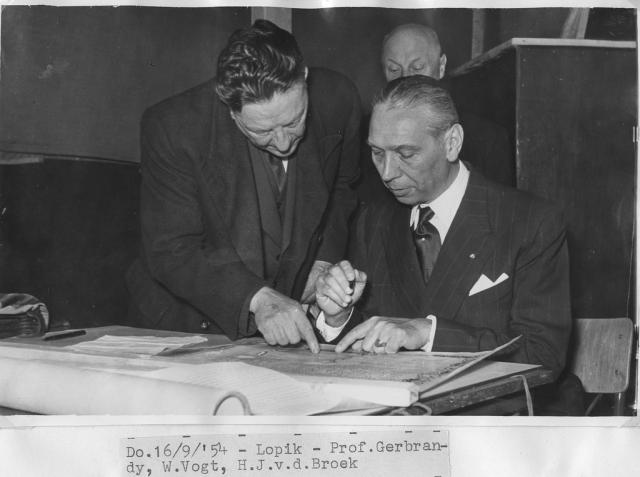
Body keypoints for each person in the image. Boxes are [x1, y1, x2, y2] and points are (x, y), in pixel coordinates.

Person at [315, 76, 575, 401]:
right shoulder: (374, 221)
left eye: (406, 153)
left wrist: (428, 333)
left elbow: (543, 354)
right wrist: (339, 316)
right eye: (377, 153)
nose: (387, 173)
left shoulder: (530, 222)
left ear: (452, 143)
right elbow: (371, 333)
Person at [126, 20, 361, 353]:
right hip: (186, 320)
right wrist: (258, 298)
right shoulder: (173, 128)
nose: (283, 143)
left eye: (294, 121)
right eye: (262, 132)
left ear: (304, 77)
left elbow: (342, 187)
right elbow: (172, 250)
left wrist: (322, 263)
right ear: (232, 112)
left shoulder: (339, 99)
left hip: (285, 318)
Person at [357, 24, 514, 204]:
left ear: (441, 66)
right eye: (394, 69)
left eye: (417, 67)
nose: (405, 78)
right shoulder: (366, 135)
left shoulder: (487, 138)